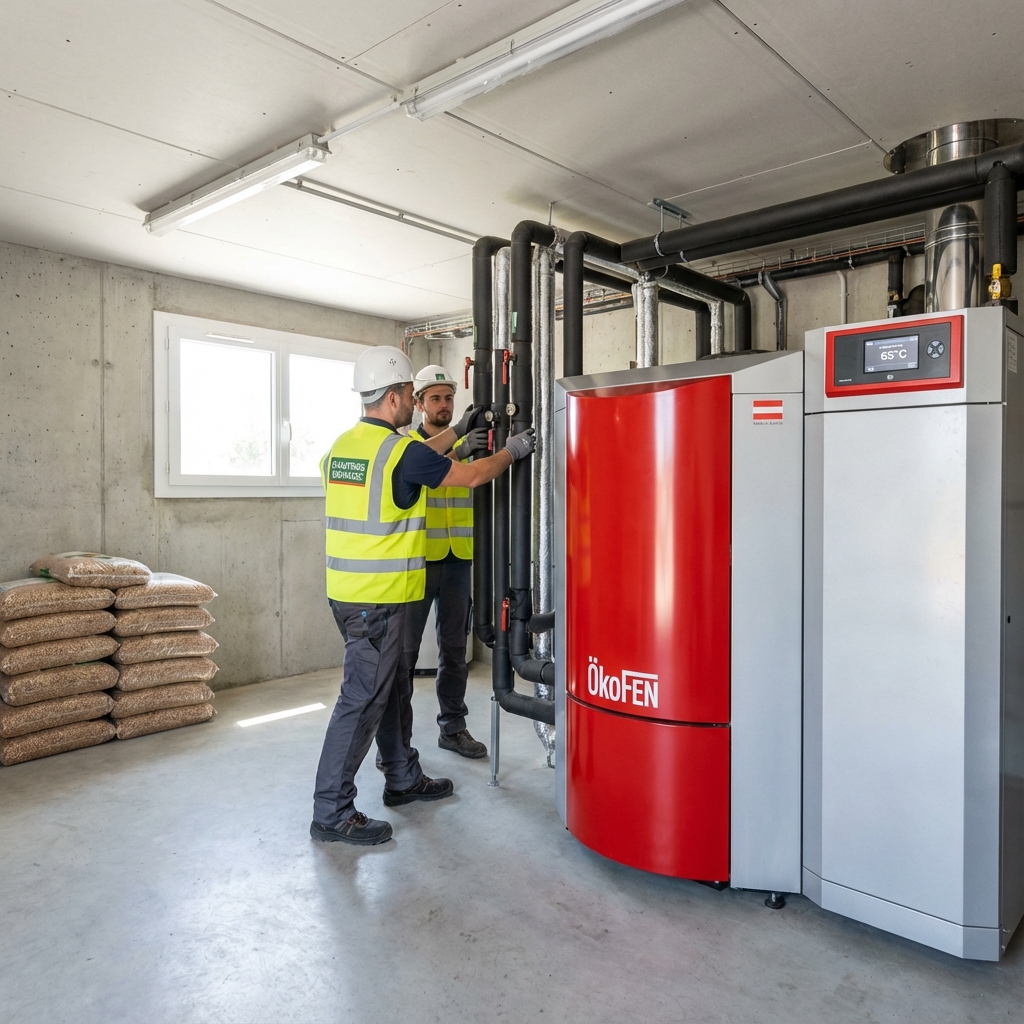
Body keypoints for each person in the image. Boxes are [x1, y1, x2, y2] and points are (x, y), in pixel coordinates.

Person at [310, 345, 534, 846]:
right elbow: (472, 475)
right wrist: (513, 450)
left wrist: (456, 432)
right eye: (411, 394)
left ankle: (403, 776)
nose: (413, 402)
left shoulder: (341, 448)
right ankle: (332, 812)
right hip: (381, 600)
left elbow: (408, 464)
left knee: (386, 691)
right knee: (362, 701)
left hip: (345, 595)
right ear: (393, 398)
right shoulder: (399, 451)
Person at [403, 365, 490, 760]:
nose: (443, 405)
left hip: (458, 559)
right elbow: (432, 469)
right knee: (403, 655)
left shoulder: (469, 443)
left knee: (454, 650)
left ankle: (452, 728)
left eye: (449, 398)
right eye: (435, 398)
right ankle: (397, 742)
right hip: (418, 562)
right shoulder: (407, 446)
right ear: (418, 403)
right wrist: (460, 449)